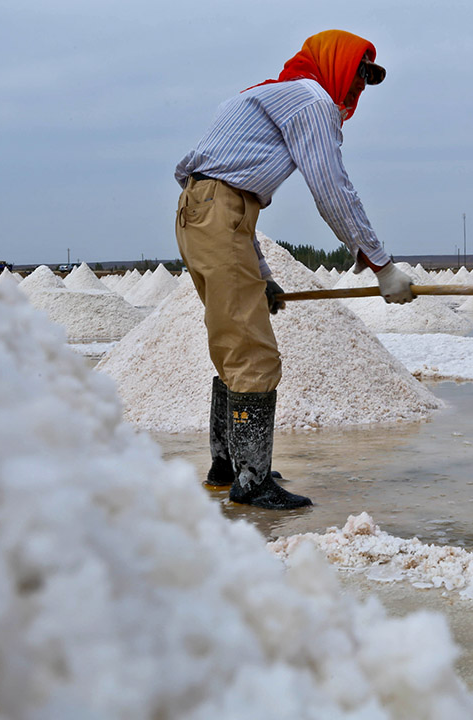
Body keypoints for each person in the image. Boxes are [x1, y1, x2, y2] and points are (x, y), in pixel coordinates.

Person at [174, 30, 414, 510]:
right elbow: (331, 188)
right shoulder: (309, 100)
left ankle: (230, 466)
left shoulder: (272, 94)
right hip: (218, 212)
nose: (357, 89)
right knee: (254, 355)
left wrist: (261, 276)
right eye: (359, 74)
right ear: (336, 63)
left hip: (206, 211)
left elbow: (232, 204)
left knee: (233, 344)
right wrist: (381, 264)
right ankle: (252, 483)